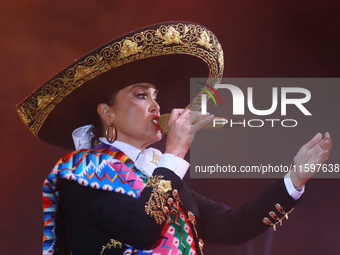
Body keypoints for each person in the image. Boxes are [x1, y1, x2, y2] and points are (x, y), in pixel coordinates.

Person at [16, 22, 332, 255]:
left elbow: (231, 225)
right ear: (106, 113)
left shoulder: (158, 171)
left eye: (156, 96)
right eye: (141, 95)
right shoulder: (78, 173)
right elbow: (141, 230)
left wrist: (295, 179)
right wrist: (176, 151)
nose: (156, 105)